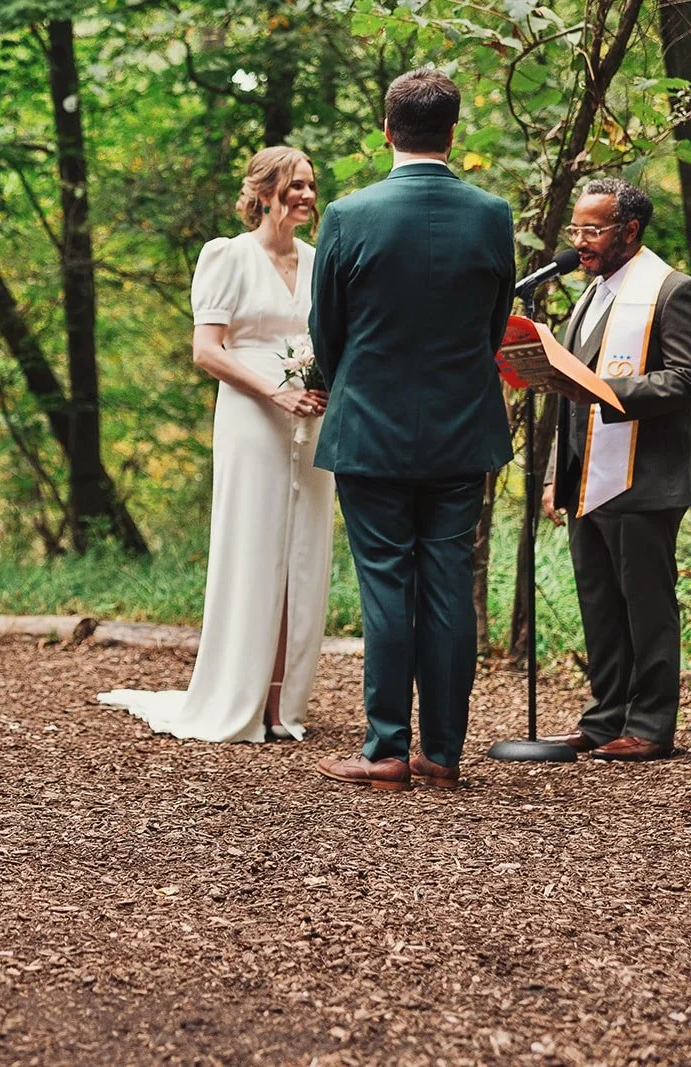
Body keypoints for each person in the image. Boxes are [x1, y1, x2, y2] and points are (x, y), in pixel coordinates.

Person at [309, 69, 515, 791]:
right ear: (453, 133)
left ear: (386, 129)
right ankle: (445, 752)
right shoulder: (492, 214)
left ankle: (387, 747)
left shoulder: (347, 213)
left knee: (387, 584)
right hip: (463, 429)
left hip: (370, 429)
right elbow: (494, 325)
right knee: (448, 584)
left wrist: (350, 389)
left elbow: (325, 330)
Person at [98, 146, 333, 742]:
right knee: (254, 546)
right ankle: (240, 694)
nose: (306, 196)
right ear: (263, 191)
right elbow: (207, 350)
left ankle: (285, 703)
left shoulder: (318, 260)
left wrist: (322, 381)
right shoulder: (227, 255)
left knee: (304, 552)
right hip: (253, 415)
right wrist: (276, 393)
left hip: (313, 418)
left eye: (310, 186)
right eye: (294, 186)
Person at [540, 179, 691, 762]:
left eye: (592, 230)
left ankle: (651, 725)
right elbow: (565, 393)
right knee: (599, 602)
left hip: (643, 476)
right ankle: (605, 718)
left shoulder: (671, 292)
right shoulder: (592, 293)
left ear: (629, 230)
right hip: (588, 476)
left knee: (646, 604)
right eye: (575, 229)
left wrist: (606, 388)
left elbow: (684, 379)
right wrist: (558, 472)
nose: (580, 242)